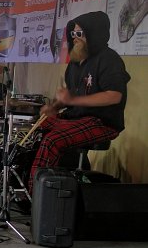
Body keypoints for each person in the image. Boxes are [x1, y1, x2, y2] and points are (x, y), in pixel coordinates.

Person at [29, 11, 130, 192]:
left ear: (94, 34)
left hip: (102, 122)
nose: (74, 37)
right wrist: (54, 107)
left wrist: (73, 99)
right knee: (36, 130)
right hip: (76, 118)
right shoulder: (76, 62)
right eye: (73, 33)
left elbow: (114, 96)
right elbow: (71, 95)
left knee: (52, 140)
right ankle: (51, 184)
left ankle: (37, 194)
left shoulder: (109, 59)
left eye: (79, 33)